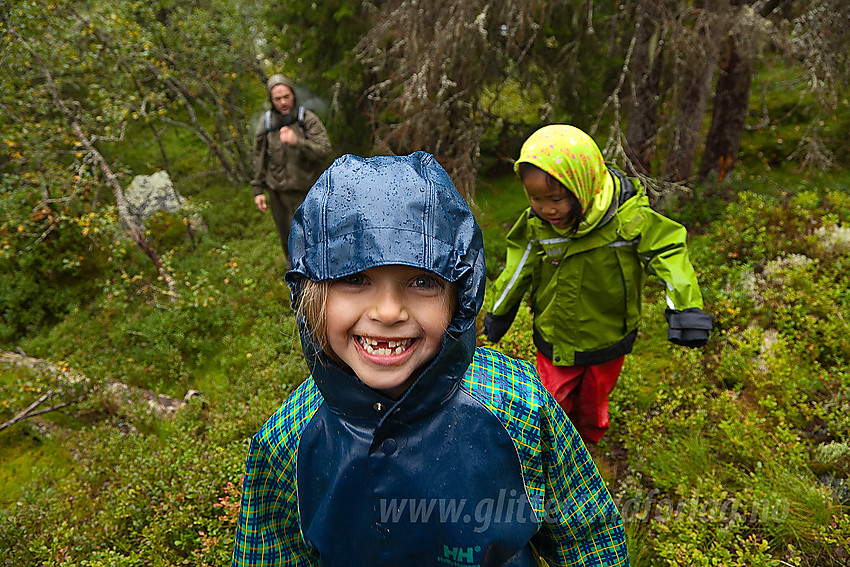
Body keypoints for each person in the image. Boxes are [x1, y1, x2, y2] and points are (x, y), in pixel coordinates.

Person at [231, 152, 630, 566]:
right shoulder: (287, 442)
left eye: (422, 281)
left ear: (460, 295)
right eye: (355, 278)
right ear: (311, 293)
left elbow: (588, 533)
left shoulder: (517, 405)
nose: (388, 312)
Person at [483, 125, 712, 444]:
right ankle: (550, 454)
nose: (547, 208)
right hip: (555, 336)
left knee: (593, 405)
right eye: (535, 198)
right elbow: (516, 269)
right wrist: (498, 313)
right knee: (548, 406)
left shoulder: (628, 219)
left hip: (608, 334)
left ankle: (588, 445)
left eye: (557, 198)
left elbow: (668, 251)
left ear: (583, 185)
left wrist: (686, 308)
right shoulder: (539, 226)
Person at [251, 74, 332, 262]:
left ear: (293, 95)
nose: (283, 102)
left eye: (286, 96)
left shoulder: (307, 119)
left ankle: (321, 272)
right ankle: (295, 273)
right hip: (278, 193)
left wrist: (298, 143)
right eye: (277, 98)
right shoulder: (267, 123)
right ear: (271, 100)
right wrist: (258, 190)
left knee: (314, 237)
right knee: (287, 238)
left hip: (307, 191)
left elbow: (324, 150)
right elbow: (258, 156)